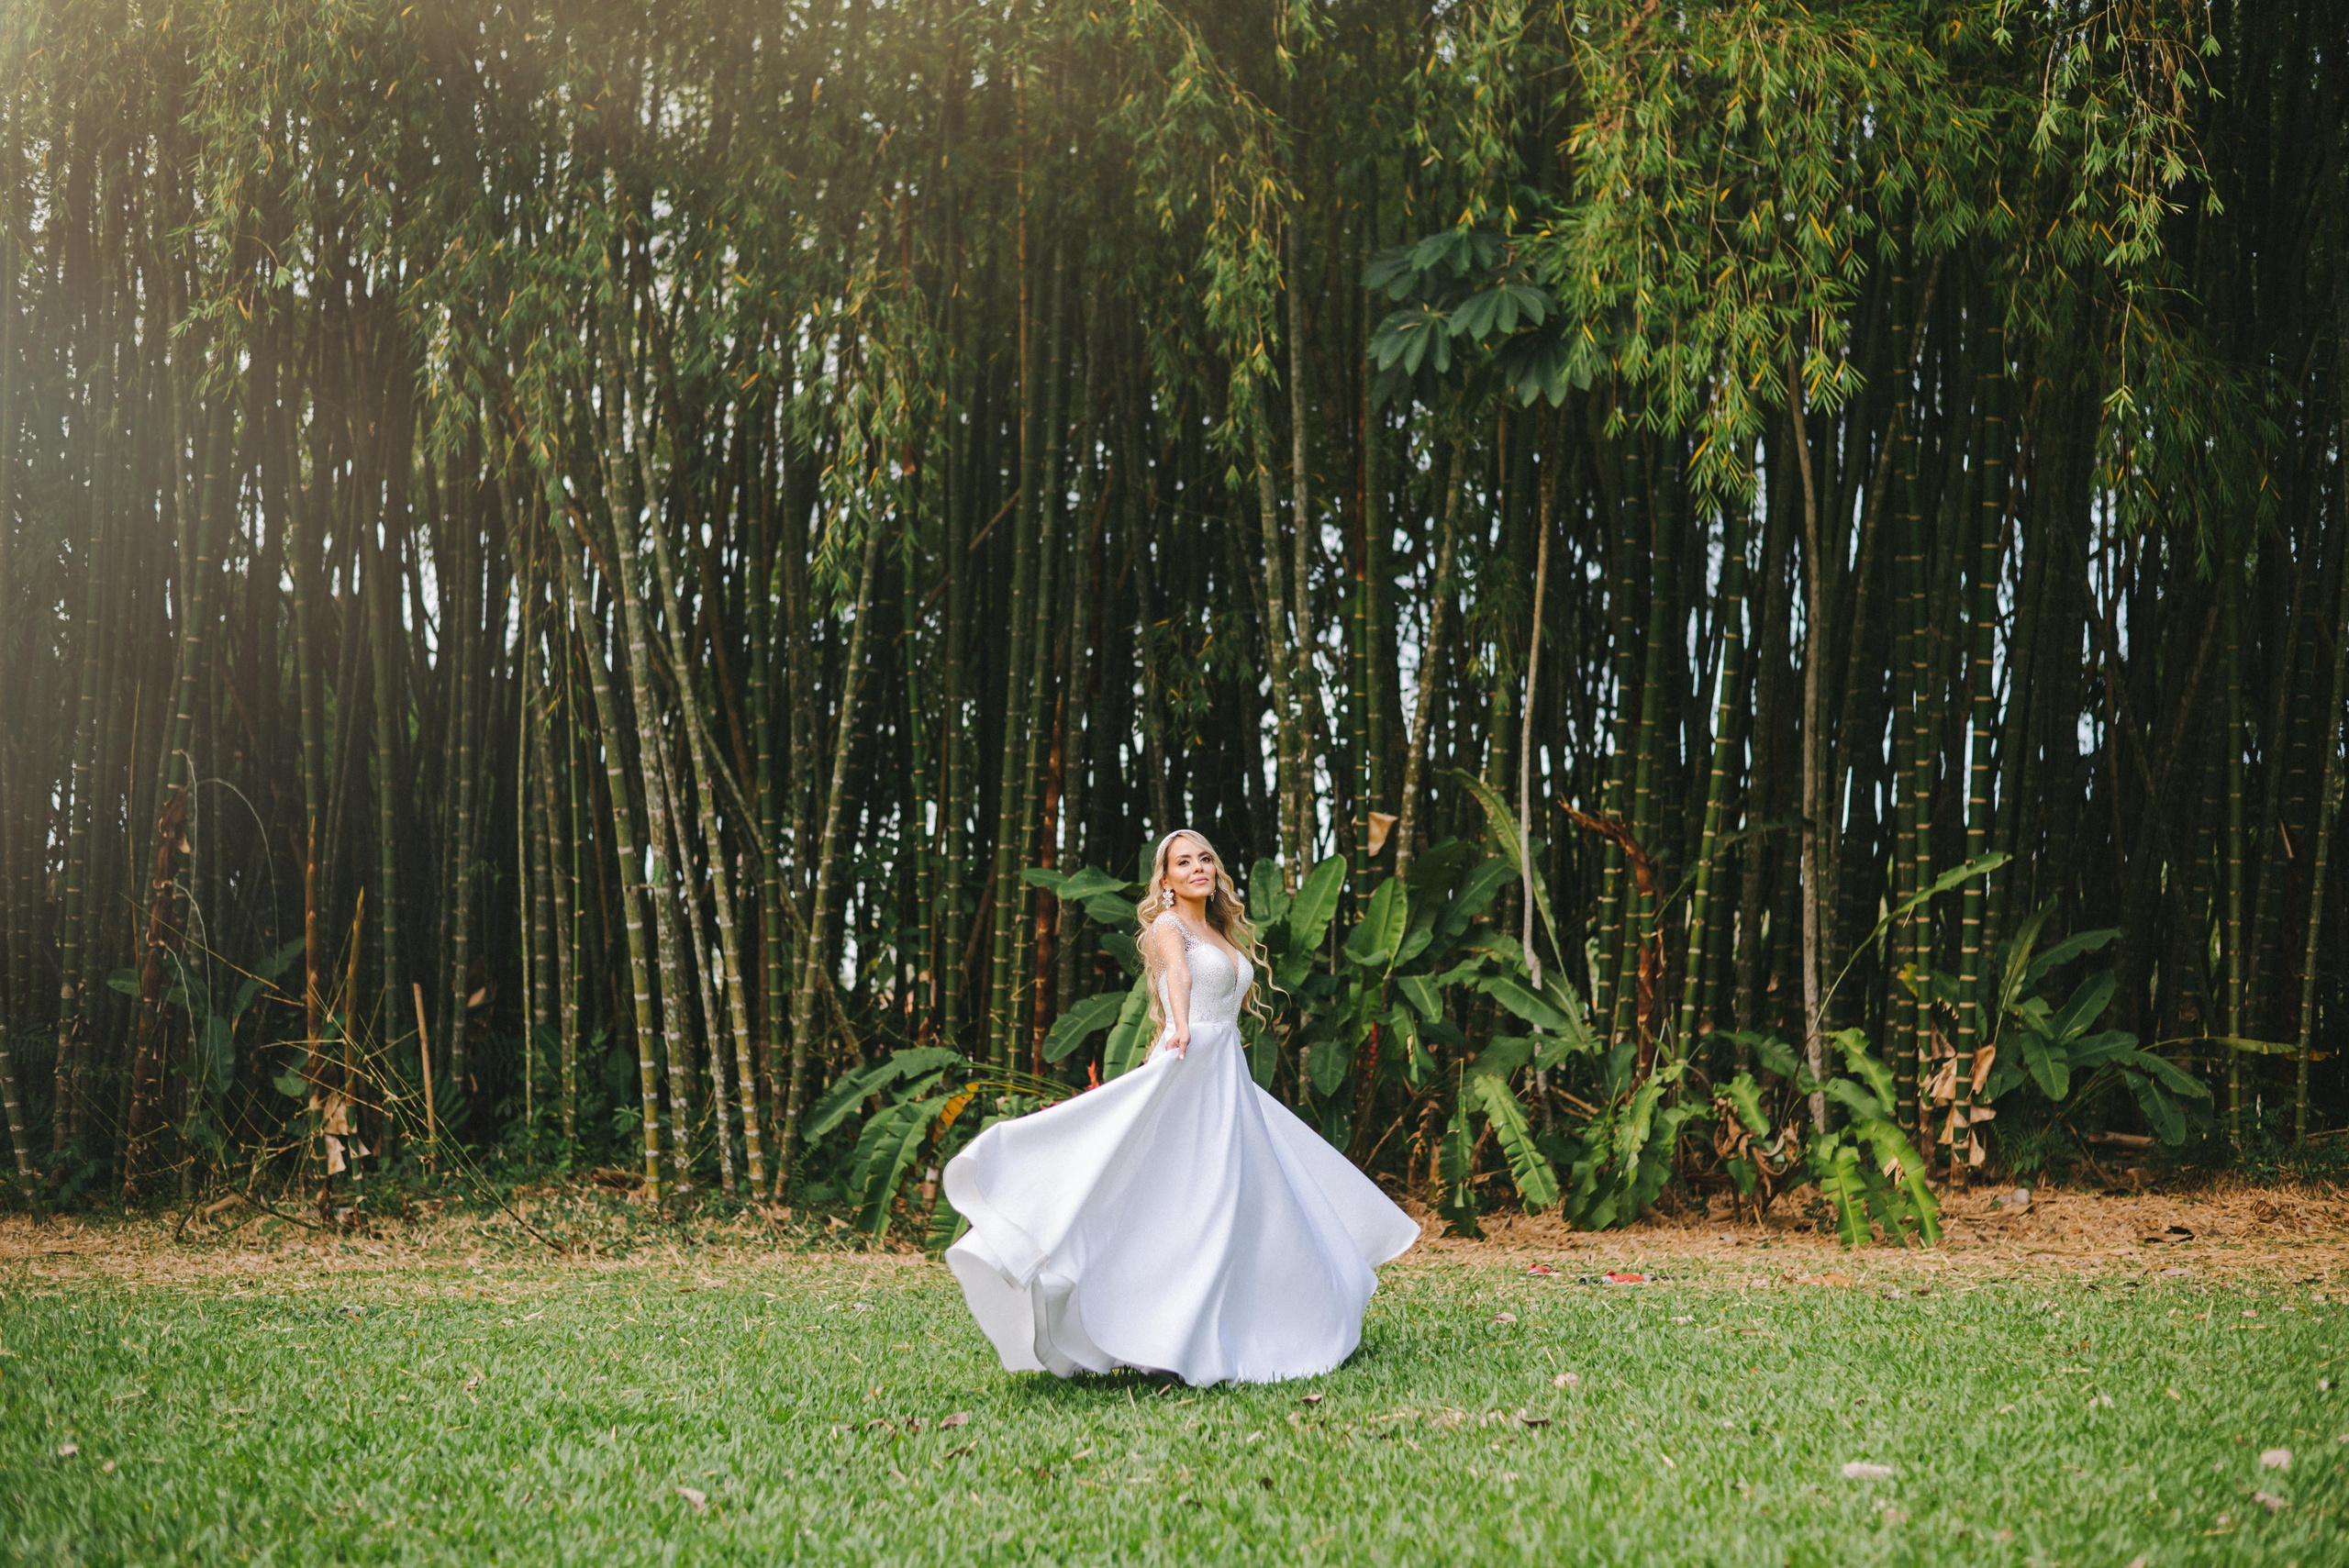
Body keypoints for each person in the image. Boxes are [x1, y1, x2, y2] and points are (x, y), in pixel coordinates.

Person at [942, 828, 1419, 1387]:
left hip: (1226, 1073)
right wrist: (1183, 1027)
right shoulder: (1167, 927)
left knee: (1250, 1198)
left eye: (1205, 859)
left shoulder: (1219, 928)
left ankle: (1252, 1322)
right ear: (1164, 881)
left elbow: (1226, 989)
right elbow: (1179, 976)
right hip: (1192, 1057)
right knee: (1192, 1196)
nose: (1198, 868)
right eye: (1183, 862)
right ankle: (1169, 1335)